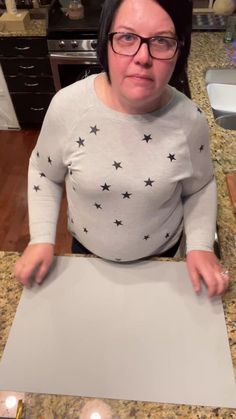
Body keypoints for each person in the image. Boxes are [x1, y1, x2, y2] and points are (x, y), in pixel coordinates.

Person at [14, 0, 229, 297]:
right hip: (86, 254)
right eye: (127, 37)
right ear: (105, 42)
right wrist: (40, 237)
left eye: (162, 41)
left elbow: (200, 187)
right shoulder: (67, 107)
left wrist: (201, 245)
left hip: (163, 260)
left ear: (179, 51)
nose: (142, 57)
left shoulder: (190, 121)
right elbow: (43, 171)